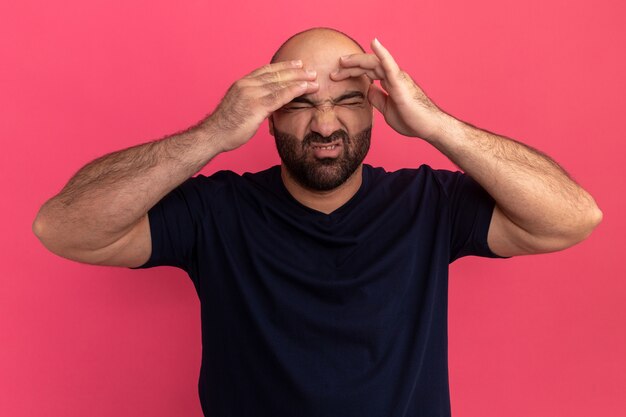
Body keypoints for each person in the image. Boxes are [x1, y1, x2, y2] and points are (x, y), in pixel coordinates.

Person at [33, 27, 602, 417]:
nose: (325, 124)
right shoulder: (216, 211)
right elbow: (62, 228)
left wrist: (436, 124)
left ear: (377, 105)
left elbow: (573, 218)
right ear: (269, 116)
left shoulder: (428, 203)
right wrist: (212, 132)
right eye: (301, 103)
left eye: (348, 100)